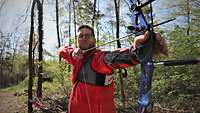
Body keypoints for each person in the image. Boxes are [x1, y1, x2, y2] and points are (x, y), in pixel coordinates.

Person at [58, 25, 168, 113]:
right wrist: (72, 53)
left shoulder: (98, 58)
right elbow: (61, 50)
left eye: (87, 35)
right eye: (80, 36)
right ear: (77, 40)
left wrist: (135, 53)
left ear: (94, 40)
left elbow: (111, 59)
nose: (84, 38)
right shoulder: (77, 57)